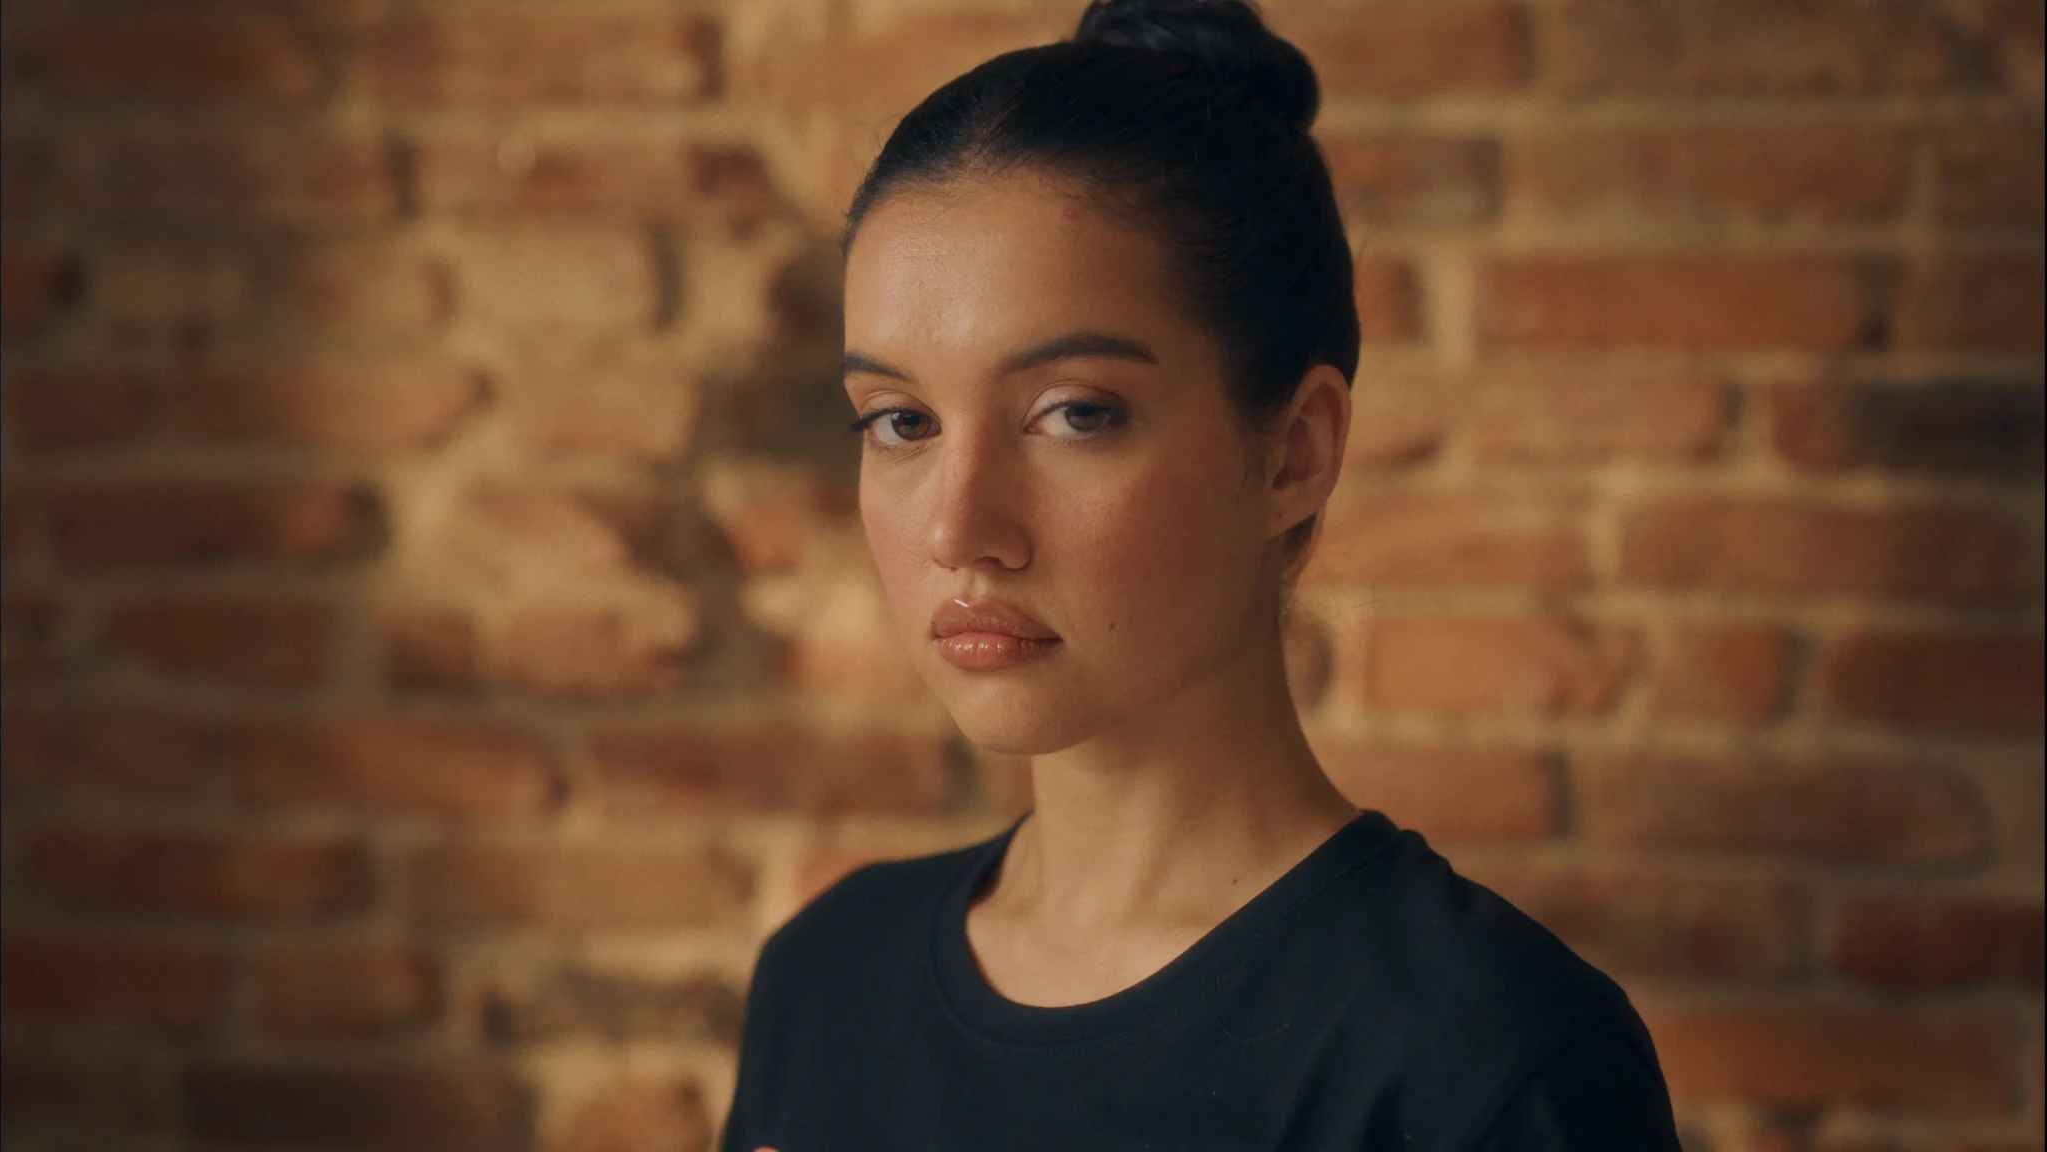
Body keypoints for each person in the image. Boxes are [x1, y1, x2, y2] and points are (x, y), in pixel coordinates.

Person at [719, 1, 1683, 1148]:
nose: (958, 529)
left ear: (1293, 454)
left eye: (1074, 413)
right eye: (899, 420)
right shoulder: (825, 979)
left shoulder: (1483, 1060)